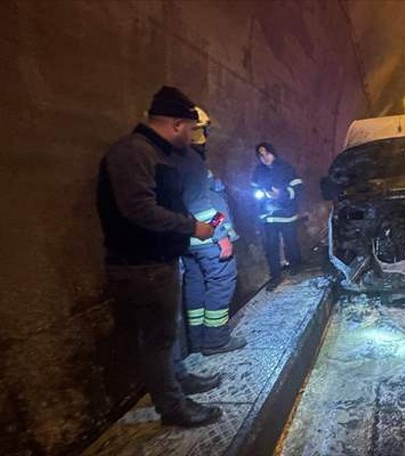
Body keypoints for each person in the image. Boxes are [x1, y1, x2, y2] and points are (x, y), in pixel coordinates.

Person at [96, 86, 222, 427]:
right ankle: (172, 407)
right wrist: (191, 227)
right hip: (141, 265)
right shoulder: (133, 153)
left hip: (159, 261)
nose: (194, 139)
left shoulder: (155, 153)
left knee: (168, 331)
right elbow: (139, 209)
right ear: (178, 125)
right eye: (192, 131)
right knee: (157, 339)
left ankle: (178, 380)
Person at [174, 106, 246, 356]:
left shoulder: (172, 160)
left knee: (196, 284)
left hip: (187, 241)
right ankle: (216, 339)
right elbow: (201, 205)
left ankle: (197, 339)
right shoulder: (190, 161)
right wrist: (221, 236)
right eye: (202, 131)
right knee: (221, 280)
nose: (204, 137)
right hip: (207, 238)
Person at [252, 142, 303, 291]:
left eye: (267, 154)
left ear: (273, 153)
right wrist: (261, 198)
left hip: (286, 214)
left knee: (290, 242)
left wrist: (282, 194)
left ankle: (296, 266)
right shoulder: (258, 171)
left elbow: (298, 188)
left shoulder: (285, 168)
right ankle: (275, 276)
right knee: (271, 247)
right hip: (268, 216)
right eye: (261, 155)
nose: (264, 158)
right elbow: (253, 189)